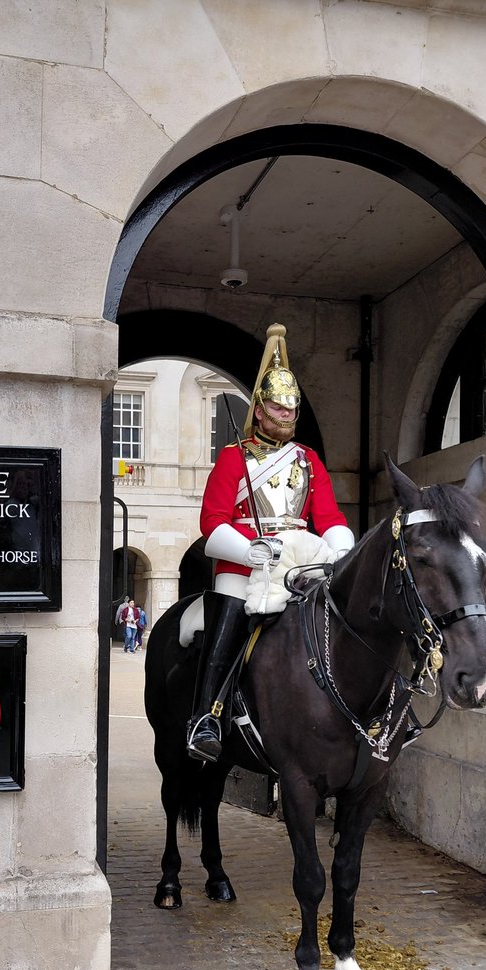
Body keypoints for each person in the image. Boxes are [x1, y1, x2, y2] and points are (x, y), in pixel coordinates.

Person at [186, 323, 355, 762]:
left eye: (292, 408)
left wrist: (341, 551)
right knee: (227, 623)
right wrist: (249, 551)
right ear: (259, 411)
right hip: (245, 564)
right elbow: (212, 522)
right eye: (279, 407)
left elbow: (329, 517)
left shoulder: (309, 461)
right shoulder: (233, 458)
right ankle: (206, 717)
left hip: (298, 561)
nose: (287, 414)